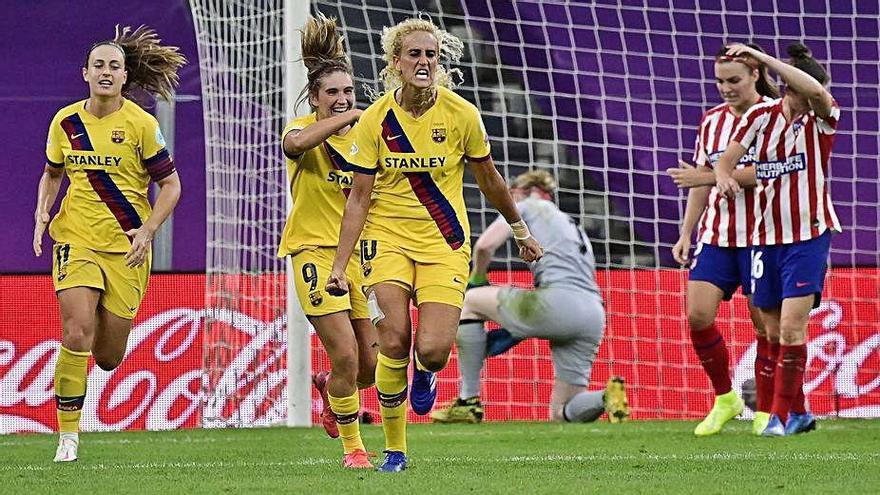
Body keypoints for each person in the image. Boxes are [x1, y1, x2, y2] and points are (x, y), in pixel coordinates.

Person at [324, 16, 543, 472]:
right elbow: (359, 198)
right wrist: (340, 265)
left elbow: (491, 180)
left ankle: (426, 374)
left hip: (444, 243)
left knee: (433, 351)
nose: (423, 61)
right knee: (393, 340)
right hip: (385, 242)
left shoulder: (462, 114)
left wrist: (520, 231)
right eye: (414, 54)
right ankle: (396, 450)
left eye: (431, 55)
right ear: (395, 62)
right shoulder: (376, 119)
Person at [33, 25, 185, 462]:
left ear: (124, 76)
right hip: (75, 238)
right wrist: (43, 210)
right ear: (85, 73)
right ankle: (67, 437)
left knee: (108, 356)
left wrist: (148, 229)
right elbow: (52, 172)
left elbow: (171, 185)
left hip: (128, 247)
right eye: (98, 65)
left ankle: (102, 336)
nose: (105, 72)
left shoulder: (142, 125)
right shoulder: (65, 121)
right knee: (76, 330)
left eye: (113, 66)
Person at [665, 44, 802, 437]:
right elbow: (700, 179)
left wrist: (705, 177)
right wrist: (686, 231)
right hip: (717, 234)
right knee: (698, 316)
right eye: (720, 81)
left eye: (734, 81)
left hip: (766, 235)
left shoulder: (778, 119)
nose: (725, 88)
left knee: (765, 327)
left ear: (755, 76)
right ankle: (726, 397)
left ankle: (766, 409)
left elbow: (772, 173)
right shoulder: (711, 121)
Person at [429, 170, 629, 425]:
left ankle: (468, 401)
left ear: (521, 191)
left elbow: (484, 246)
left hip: (557, 302)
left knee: (469, 301)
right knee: (562, 413)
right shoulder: (570, 222)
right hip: (592, 313)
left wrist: (477, 278)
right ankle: (605, 397)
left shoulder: (526, 205)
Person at [714, 43, 839, 436]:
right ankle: (798, 413)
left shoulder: (821, 119)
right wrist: (723, 177)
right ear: (791, 91)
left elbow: (819, 92)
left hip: (809, 236)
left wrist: (761, 57)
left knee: (790, 329)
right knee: (769, 331)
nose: (817, 96)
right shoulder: (761, 117)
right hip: (765, 239)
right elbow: (726, 160)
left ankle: (779, 418)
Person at [277, 14, 378, 469]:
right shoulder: (300, 130)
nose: (342, 100)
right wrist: (350, 118)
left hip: (360, 258)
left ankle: (329, 390)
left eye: (348, 92)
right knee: (346, 353)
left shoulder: (367, 140)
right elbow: (295, 145)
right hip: (314, 254)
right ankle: (354, 450)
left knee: (369, 370)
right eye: (332, 93)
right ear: (315, 98)